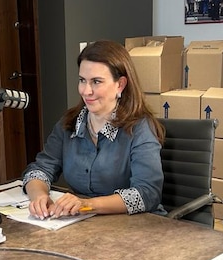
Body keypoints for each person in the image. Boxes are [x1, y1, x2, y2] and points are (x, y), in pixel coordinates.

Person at [23, 40, 164, 219]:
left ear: (120, 85)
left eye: (96, 82)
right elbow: (39, 169)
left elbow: (147, 194)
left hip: (134, 227)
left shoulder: (140, 128)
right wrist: (39, 197)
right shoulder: (69, 123)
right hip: (81, 224)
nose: (86, 91)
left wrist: (88, 205)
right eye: (82, 80)